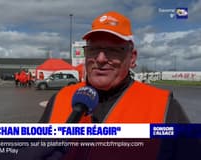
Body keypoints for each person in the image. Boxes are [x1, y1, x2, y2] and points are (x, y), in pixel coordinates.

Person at [31, 11, 199, 160]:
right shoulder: (60, 98)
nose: (101, 58)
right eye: (94, 49)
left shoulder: (164, 107)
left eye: (113, 50)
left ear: (132, 58)